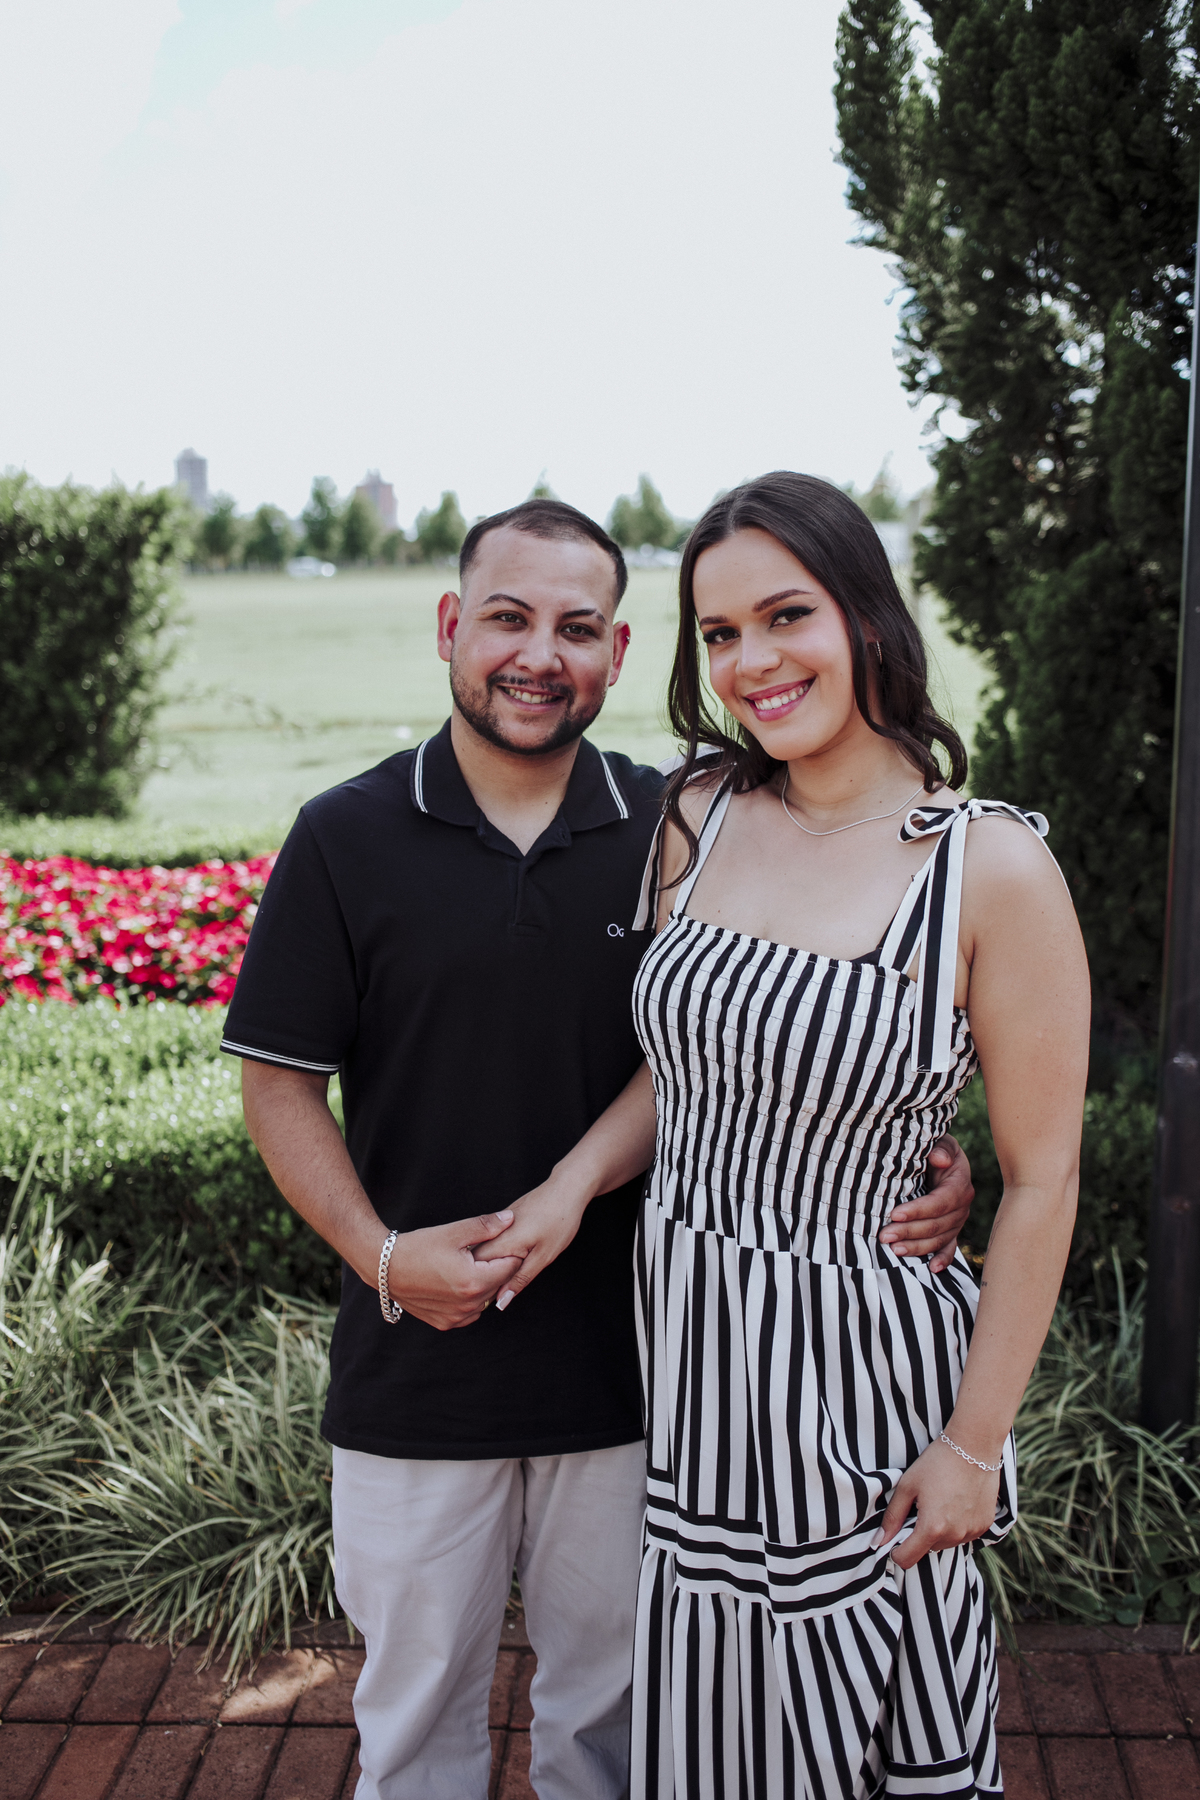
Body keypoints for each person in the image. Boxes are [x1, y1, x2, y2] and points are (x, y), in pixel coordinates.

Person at [221, 496, 977, 1800]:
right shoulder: (346, 833)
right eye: (507, 618)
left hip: (645, 1377)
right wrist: (385, 1257)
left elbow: (783, 1022)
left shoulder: (685, 824)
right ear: (451, 625)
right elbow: (279, 1082)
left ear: (620, 653)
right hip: (416, 1374)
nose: (540, 655)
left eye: (578, 628)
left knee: (612, 1738)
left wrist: (913, 1151)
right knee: (413, 1735)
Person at [482, 475, 1089, 1799]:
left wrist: (972, 1448)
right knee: (716, 1731)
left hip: (859, 1371)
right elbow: (693, 1073)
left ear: (866, 614)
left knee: (848, 1723)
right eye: (719, 632)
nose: (751, 660)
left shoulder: (988, 868)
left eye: (786, 615)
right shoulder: (698, 816)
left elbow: (1046, 1181)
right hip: (695, 1353)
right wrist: (572, 1186)